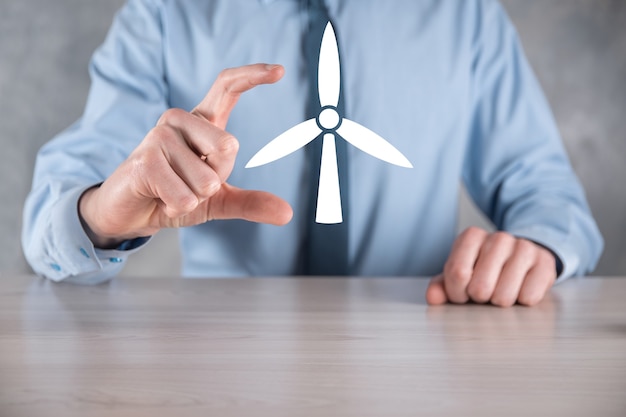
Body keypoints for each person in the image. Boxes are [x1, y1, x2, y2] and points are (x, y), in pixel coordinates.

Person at [22, 0, 603, 307]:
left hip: (424, 345)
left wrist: (538, 249)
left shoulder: (464, 15)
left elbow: (546, 192)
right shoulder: (166, 14)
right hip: (218, 364)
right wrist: (98, 217)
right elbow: (54, 216)